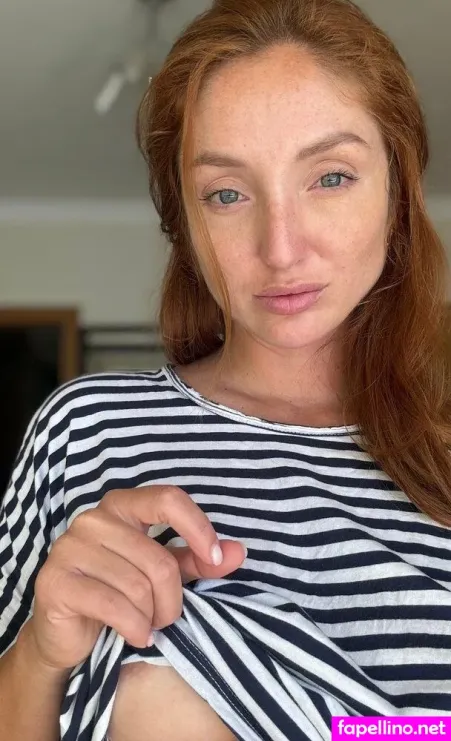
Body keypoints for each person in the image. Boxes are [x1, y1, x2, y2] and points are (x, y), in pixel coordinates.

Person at [1, 0, 451, 739]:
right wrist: (40, 656)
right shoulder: (87, 434)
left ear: (397, 191)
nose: (281, 248)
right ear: (183, 221)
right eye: (228, 194)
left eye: (330, 177)